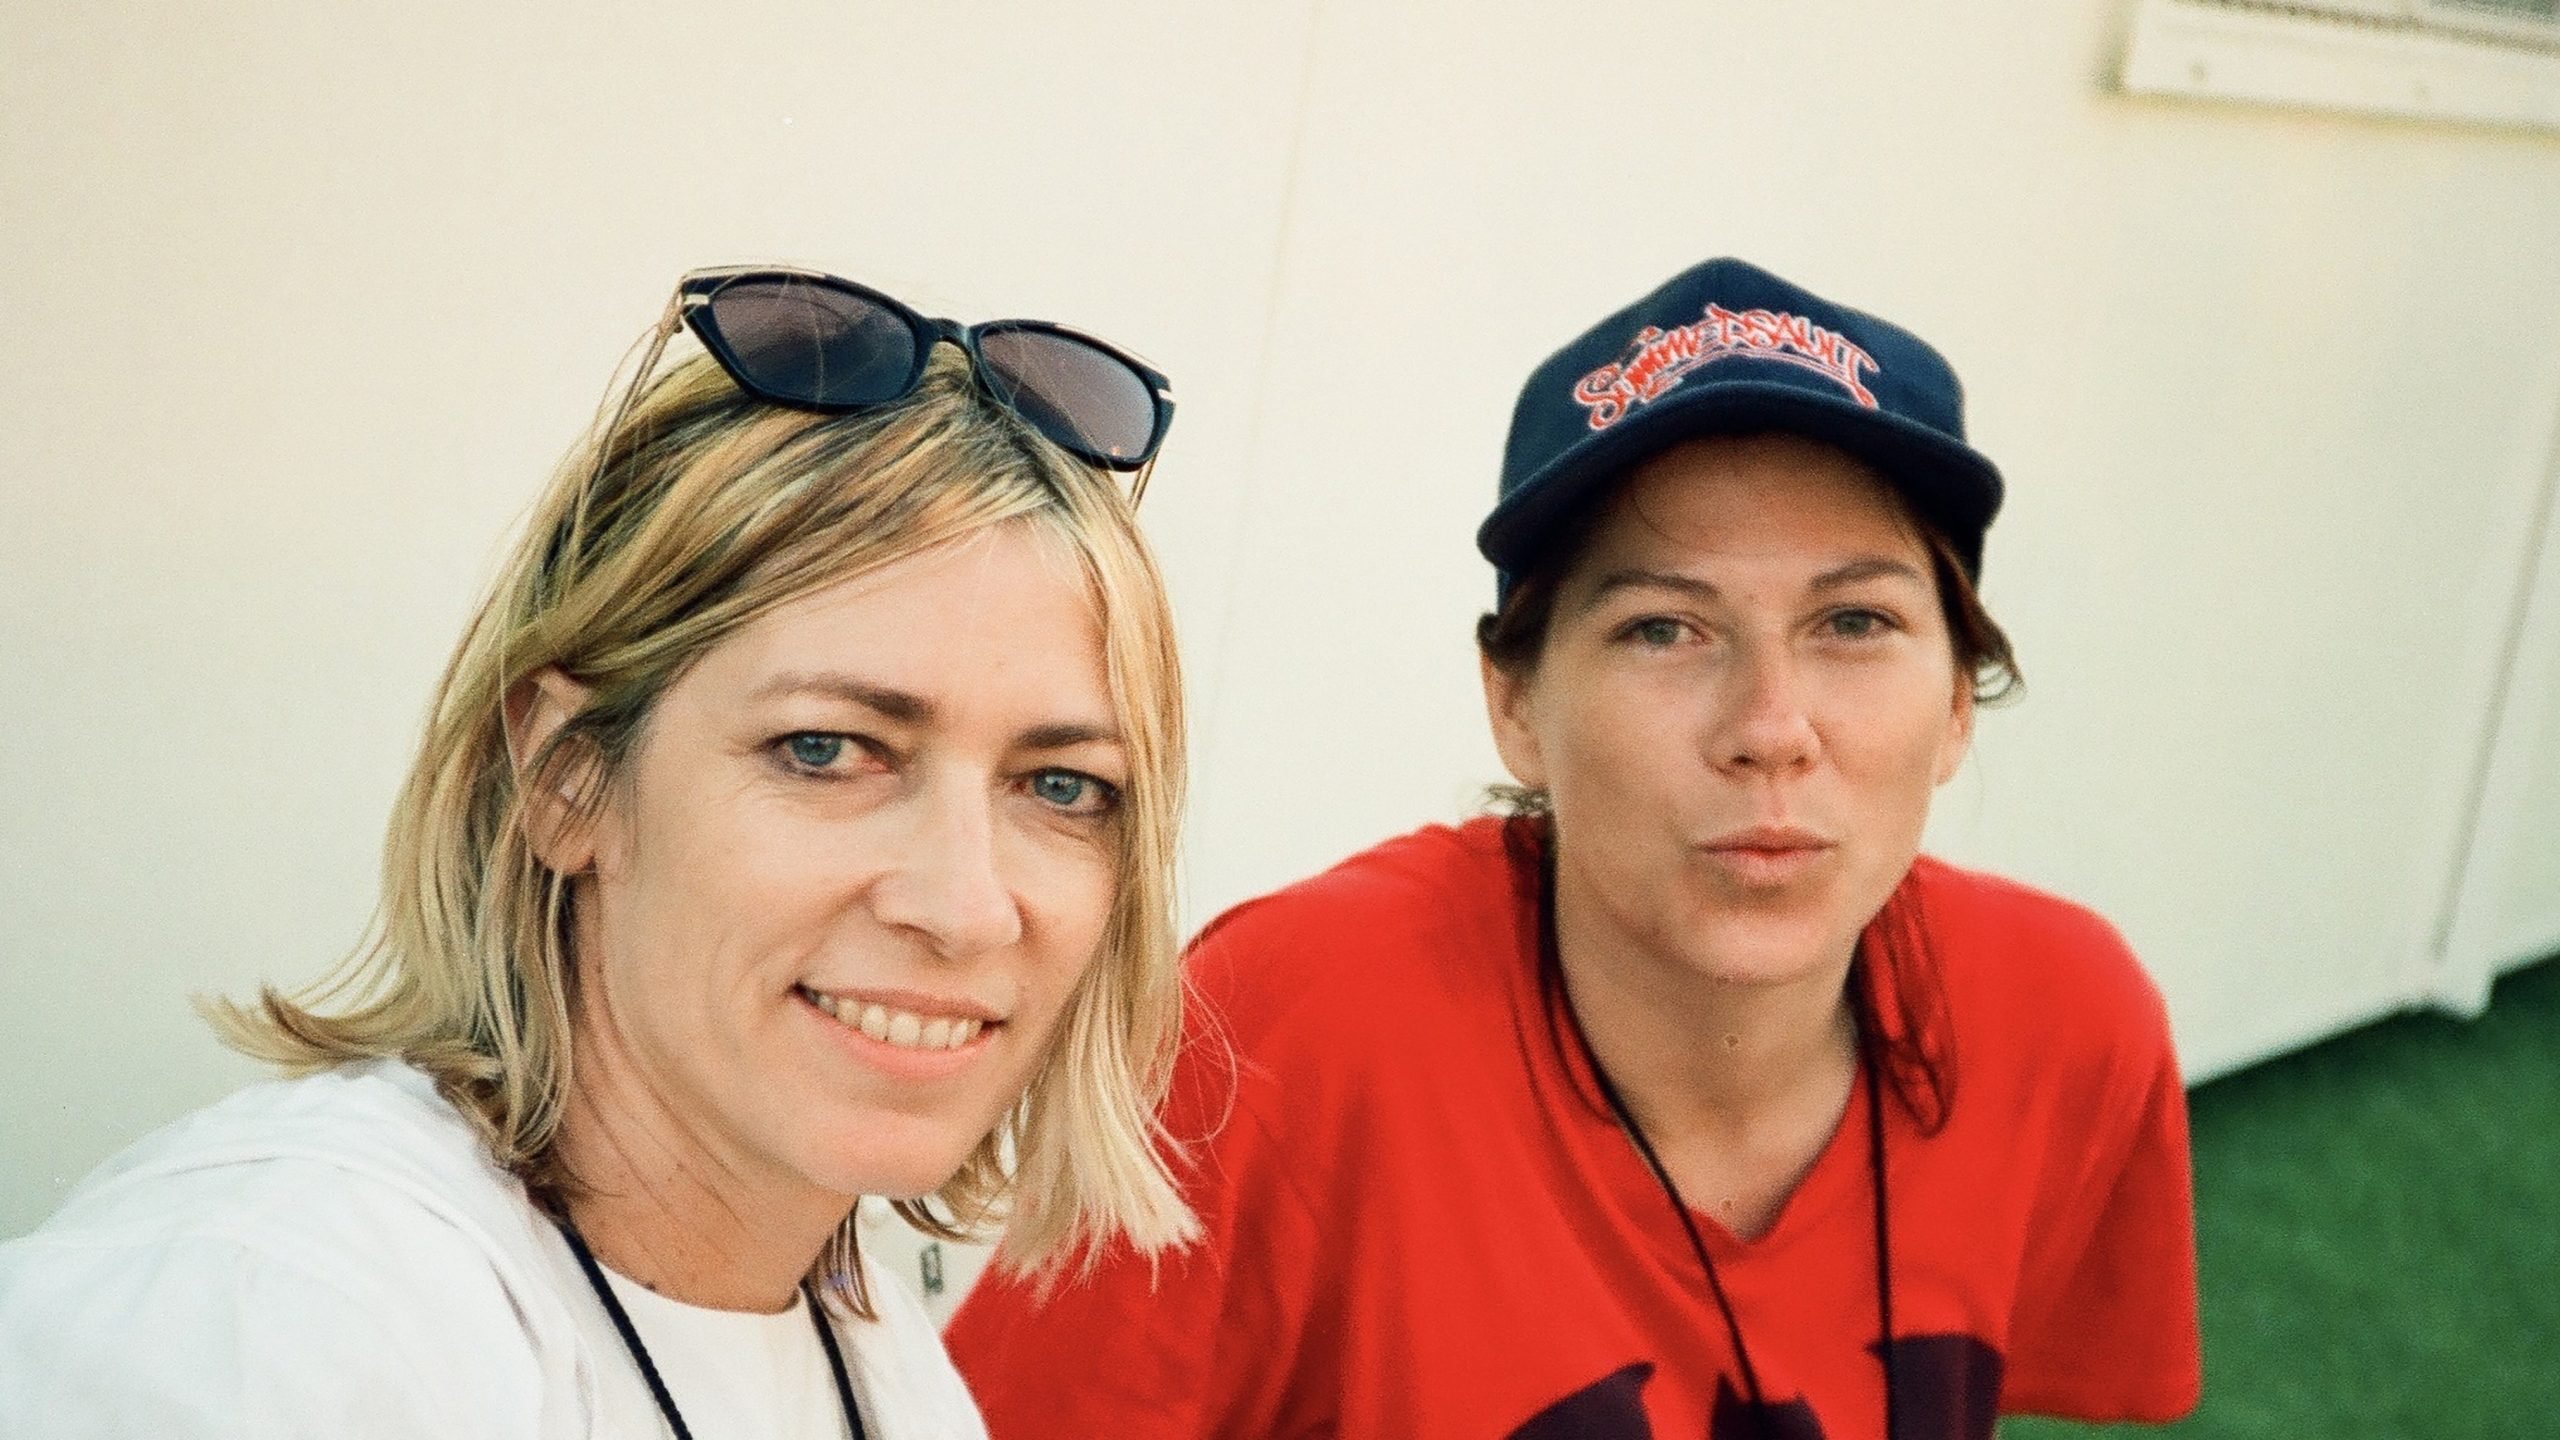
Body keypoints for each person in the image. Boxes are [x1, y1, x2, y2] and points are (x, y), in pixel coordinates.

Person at [946, 257, 2202, 1438]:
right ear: (1516, 707)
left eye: (1855, 621)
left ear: (1955, 706)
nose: (1770, 729)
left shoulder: (2065, 1019)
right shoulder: (1282, 1030)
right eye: (1664, 629)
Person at [0, 265, 1197, 1439]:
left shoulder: (871, 1352)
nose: (964, 904)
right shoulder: (280, 1324)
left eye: (1060, 786)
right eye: (828, 751)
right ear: (567, 778)